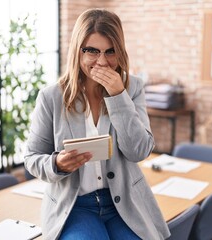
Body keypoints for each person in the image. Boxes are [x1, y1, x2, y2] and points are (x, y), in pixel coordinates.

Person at [24, 8, 170, 240]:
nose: (102, 61)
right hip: (75, 206)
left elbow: (139, 151)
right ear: (77, 50)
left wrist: (117, 95)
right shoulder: (51, 97)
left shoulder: (132, 89)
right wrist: (57, 163)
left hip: (125, 202)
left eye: (110, 52)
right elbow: (32, 158)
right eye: (92, 51)